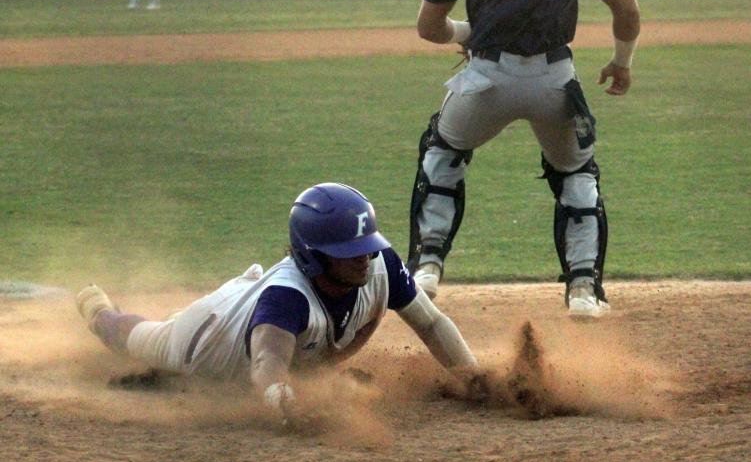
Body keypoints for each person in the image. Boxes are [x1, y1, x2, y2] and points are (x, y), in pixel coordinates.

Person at [408, 0, 641, 319]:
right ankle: (583, 289)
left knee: (443, 149)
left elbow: (429, 27)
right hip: (556, 79)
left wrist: (467, 33)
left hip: (488, 78)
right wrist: (621, 62)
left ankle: (428, 262)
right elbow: (628, 10)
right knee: (576, 175)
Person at [75, 183, 478, 423]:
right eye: (348, 249)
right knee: (142, 338)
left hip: (250, 305)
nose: (364, 257)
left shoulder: (380, 262)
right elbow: (267, 364)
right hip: (200, 341)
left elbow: (431, 324)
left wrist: (475, 378)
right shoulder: (287, 300)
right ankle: (98, 312)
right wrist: (283, 401)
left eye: (366, 245)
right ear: (313, 254)